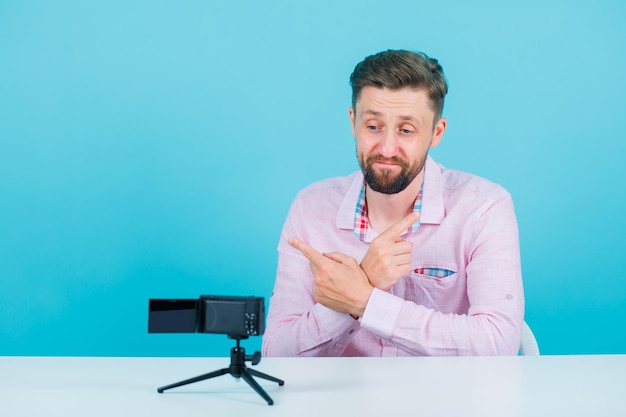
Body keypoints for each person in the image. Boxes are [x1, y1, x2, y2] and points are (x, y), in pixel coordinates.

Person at [262, 49, 524, 356]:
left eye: (406, 130)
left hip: (448, 401)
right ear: (353, 122)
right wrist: (361, 285)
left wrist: (366, 301)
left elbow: (497, 342)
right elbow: (277, 353)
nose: (387, 148)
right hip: (339, 403)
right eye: (373, 126)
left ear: (435, 132)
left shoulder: (483, 208)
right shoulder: (311, 207)